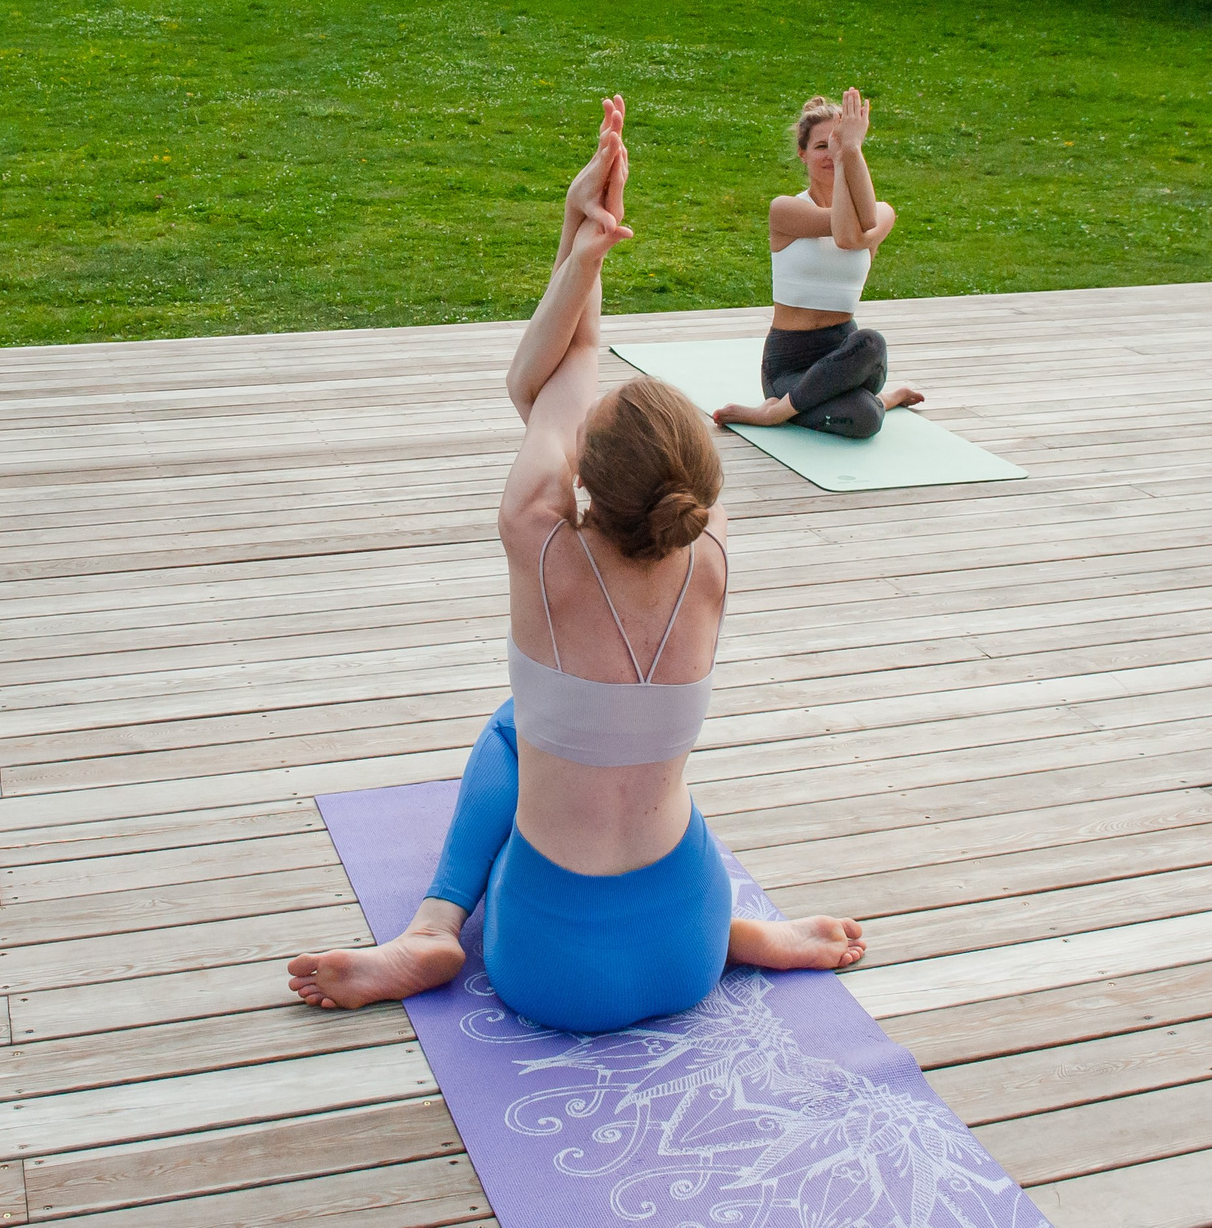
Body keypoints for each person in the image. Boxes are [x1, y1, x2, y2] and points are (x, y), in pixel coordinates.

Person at [286, 98, 867, 1034]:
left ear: (584, 482)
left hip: (547, 967)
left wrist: (581, 237)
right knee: (642, 757)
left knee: (522, 730)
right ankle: (738, 932)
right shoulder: (710, 550)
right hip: (684, 948)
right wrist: (581, 236)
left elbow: (552, 366)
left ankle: (435, 926)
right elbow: (565, 384)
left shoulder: (537, 537)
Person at [712, 89, 923, 439]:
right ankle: (865, 402)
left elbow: (860, 223)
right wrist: (846, 157)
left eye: (839, 143)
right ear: (803, 154)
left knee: (871, 344)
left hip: (849, 355)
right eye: (822, 146)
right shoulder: (785, 210)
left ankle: (780, 411)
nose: (831, 153)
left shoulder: (884, 213)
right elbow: (844, 234)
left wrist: (850, 153)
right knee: (866, 419)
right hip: (789, 365)